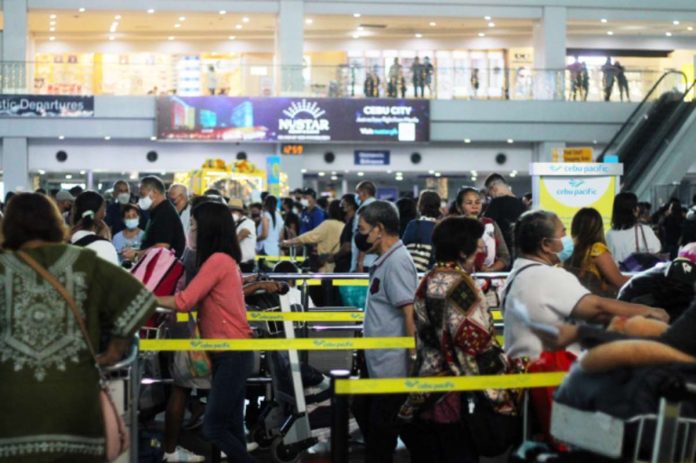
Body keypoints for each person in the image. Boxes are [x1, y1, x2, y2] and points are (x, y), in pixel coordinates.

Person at [0, 193, 157, 463]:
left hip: (13, 410)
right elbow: (140, 299)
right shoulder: (84, 262)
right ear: (53, 222)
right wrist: (114, 351)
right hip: (77, 410)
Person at [398, 217, 519, 462]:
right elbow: (472, 344)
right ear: (463, 251)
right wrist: (509, 374)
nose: (482, 248)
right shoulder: (458, 285)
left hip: (427, 388)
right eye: (478, 244)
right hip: (453, 396)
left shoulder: (431, 278)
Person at [157, 201, 255, 463]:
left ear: (209, 230)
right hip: (230, 351)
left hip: (232, 352)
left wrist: (147, 297)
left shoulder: (217, 261)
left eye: (193, 226)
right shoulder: (222, 260)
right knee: (233, 426)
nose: (190, 231)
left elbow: (184, 301)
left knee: (213, 427)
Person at [502, 210, 668, 362]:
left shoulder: (516, 274)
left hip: (526, 371)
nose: (567, 238)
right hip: (549, 375)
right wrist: (650, 312)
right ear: (546, 244)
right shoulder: (547, 276)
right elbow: (598, 309)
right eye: (563, 233)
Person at [352, 200, 418, 463]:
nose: (360, 234)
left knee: (382, 431)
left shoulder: (398, 262)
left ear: (379, 229)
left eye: (363, 228)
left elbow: (408, 312)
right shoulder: (384, 260)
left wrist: (412, 358)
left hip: (393, 365)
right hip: (377, 360)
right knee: (364, 411)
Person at [565, 207, 629, 297]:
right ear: (598, 228)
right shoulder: (596, 250)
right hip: (598, 302)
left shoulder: (570, 249)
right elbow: (619, 282)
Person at [123, 176, 186, 261]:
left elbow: (161, 248)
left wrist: (136, 255)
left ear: (155, 193)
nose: (140, 199)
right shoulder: (158, 211)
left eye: (142, 195)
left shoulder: (164, 213)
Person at [456, 187, 511, 272]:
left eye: (477, 202)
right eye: (469, 203)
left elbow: (505, 256)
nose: (474, 206)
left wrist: (490, 270)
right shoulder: (453, 227)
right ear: (459, 207)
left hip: (488, 278)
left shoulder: (490, 224)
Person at [281, 199, 344, 273]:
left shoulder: (328, 224)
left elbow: (309, 237)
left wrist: (289, 242)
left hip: (326, 268)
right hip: (340, 268)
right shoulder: (344, 225)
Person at [606, 192, 661, 265]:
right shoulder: (645, 230)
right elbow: (656, 250)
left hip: (617, 274)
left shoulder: (609, 235)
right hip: (640, 274)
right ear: (634, 210)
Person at [70, 191, 119, 265]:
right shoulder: (104, 246)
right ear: (101, 215)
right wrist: (107, 241)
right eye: (104, 209)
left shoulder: (62, 242)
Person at [483, 173, 526, 255]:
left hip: (503, 252)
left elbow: (485, 226)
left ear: (494, 189)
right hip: (520, 250)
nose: (490, 197)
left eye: (489, 194)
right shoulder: (522, 204)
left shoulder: (496, 203)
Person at [402, 190, 441, 273]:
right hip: (431, 272)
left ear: (420, 205)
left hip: (411, 270)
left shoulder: (413, 225)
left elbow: (403, 247)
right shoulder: (441, 227)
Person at [352, 181, 378, 272]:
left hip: (366, 261)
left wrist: (360, 261)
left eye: (357, 192)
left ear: (363, 192)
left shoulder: (366, 209)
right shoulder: (378, 206)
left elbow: (364, 234)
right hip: (374, 259)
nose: (357, 196)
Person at [229, 199, 257, 273]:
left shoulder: (248, 223)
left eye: (234, 211)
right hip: (235, 264)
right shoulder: (232, 225)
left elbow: (239, 238)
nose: (231, 213)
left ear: (240, 212)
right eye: (230, 211)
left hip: (246, 265)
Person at [333, 193, 359, 273]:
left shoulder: (353, 222)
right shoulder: (349, 222)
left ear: (350, 206)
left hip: (347, 265)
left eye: (343, 203)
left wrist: (334, 256)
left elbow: (348, 247)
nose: (340, 205)